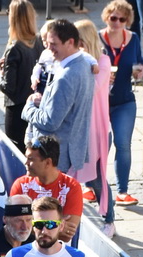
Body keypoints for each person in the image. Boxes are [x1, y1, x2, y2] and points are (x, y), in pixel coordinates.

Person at [25, 20, 96, 203]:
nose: (49, 49)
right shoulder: (82, 64)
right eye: (48, 44)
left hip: (55, 156)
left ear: (70, 42)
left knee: (48, 211)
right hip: (67, 151)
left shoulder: (67, 76)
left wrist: (29, 108)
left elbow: (50, 121)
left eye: (54, 44)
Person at [98, 0, 143, 207]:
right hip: (100, 102)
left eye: (121, 19)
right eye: (113, 18)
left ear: (127, 21)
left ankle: (122, 191)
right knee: (101, 146)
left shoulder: (133, 39)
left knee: (123, 144)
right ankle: (95, 186)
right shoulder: (98, 39)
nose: (116, 22)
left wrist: (139, 72)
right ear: (106, 17)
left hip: (125, 100)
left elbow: (139, 61)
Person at [10, 138, 86, 243]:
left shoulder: (71, 187)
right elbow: (15, 227)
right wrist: (55, 225)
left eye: (31, 159)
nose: (25, 162)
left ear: (47, 162)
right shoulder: (20, 185)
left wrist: (29, 223)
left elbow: (67, 235)